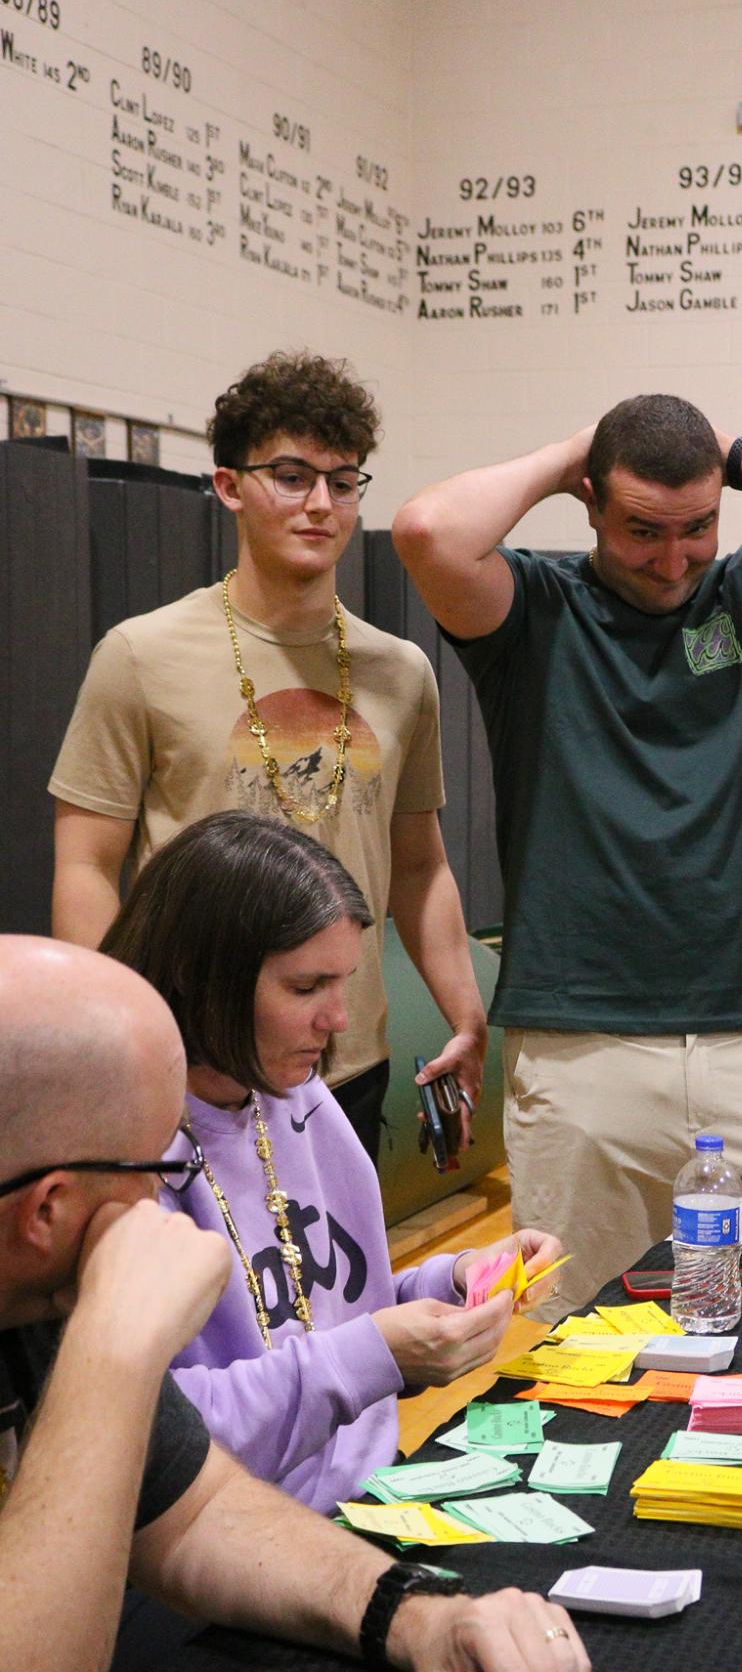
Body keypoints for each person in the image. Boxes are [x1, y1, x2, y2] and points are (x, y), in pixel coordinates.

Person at [0, 935, 590, 1672]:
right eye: (159, 1168)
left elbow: (192, 1510)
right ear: (48, 1210)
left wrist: (417, 1615)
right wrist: (116, 1348)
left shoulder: (32, 1287)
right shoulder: (79, 1306)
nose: (170, 1196)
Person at [392, 396, 742, 1311]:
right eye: (643, 529)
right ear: (592, 504)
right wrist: (570, 449)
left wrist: (738, 452)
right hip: (582, 1044)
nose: (675, 558)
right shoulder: (534, 612)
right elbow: (425, 530)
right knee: (592, 1341)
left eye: (698, 528)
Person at [48, 349, 487, 1162]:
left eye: (343, 480)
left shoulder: (401, 671)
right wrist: (116, 1040)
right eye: (291, 475)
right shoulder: (140, 654)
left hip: (343, 1059)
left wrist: (466, 1013)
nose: (320, 502)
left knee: (336, 1287)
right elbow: (84, 866)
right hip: (196, 1061)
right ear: (228, 486)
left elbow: (421, 866)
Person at [99, 811, 561, 1511]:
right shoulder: (118, 1160)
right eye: (306, 987)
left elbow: (332, 1313)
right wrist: (378, 1354)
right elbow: (156, 1438)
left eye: (343, 982)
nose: (339, 1019)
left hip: (364, 1501)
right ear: (198, 974)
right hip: (224, 1554)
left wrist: (452, 1281)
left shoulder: (297, 1097)